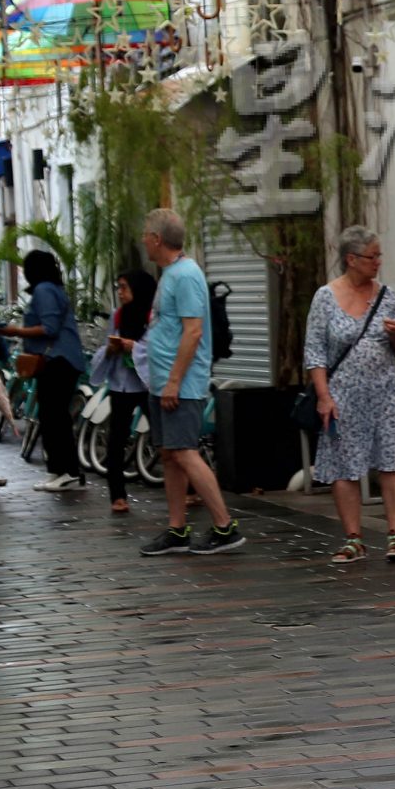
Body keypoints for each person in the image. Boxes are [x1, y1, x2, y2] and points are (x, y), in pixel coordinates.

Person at [303, 225, 395, 565]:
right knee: (345, 466)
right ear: (351, 259)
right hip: (342, 394)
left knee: (392, 462)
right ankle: (353, 538)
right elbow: (314, 352)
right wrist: (324, 396)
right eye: (372, 256)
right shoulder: (325, 298)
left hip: (386, 392)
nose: (378, 262)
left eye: (379, 255)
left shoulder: (387, 295)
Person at [128, 209, 244, 556]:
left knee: (184, 452)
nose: (143, 240)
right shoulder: (170, 274)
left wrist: (175, 381)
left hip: (180, 384)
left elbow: (193, 332)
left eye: (146, 234)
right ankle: (177, 529)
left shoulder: (187, 275)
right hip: (161, 381)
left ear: (157, 239)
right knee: (169, 454)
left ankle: (225, 527)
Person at [3, 249, 88, 494]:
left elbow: (49, 328)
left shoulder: (44, 290)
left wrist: (15, 331)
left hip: (57, 360)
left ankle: (66, 471)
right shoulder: (53, 289)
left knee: (54, 417)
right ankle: (60, 471)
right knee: (54, 416)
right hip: (60, 360)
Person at [88, 267, 156, 515]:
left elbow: (156, 350)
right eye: (118, 287)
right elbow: (107, 343)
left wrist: (134, 347)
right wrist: (110, 349)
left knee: (163, 438)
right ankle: (117, 495)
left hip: (146, 386)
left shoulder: (152, 317)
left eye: (124, 287)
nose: (120, 292)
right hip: (121, 385)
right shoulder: (118, 316)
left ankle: (188, 488)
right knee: (116, 440)